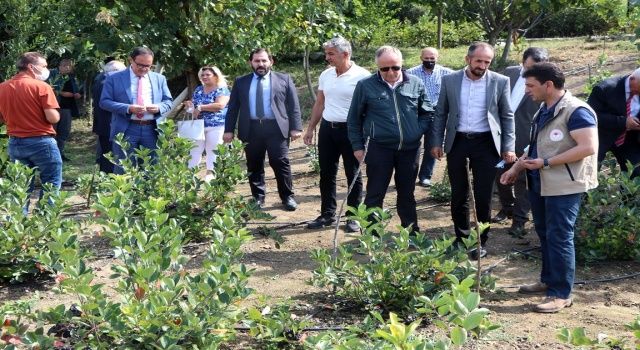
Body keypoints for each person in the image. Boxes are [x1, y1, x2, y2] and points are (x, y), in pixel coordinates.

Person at [500, 62, 598, 313]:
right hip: (541, 183)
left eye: (530, 85)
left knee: (560, 237)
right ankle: (548, 281)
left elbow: (587, 147)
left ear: (549, 85)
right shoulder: (543, 109)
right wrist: (516, 168)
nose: (526, 91)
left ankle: (561, 293)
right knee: (544, 233)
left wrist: (546, 162)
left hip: (564, 185)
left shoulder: (577, 111)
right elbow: (534, 146)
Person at [430, 42, 516, 260]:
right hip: (458, 141)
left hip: (486, 143)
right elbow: (441, 113)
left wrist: (508, 147)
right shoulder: (450, 80)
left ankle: (480, 242)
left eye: (487, 61)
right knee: (459, 193)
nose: (483, 65)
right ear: (468, 59)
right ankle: (461, 239)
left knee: (483, 194)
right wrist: (436, 141)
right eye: (479, 60)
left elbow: (507, 116)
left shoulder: (500, 81)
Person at [347, 45, 433, 234]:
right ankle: (372, 236)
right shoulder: (365, 86)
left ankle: (411, 233)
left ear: (402, 65)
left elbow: (427, 113)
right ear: (377, 67)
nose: (391, 72)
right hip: (379, 148)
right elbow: (353, 119)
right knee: (375, 193)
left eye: (395, 67)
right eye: (384, 68)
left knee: (407, 193)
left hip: (409, 149)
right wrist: (357, 147)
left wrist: (417, 131)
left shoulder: (416, 83)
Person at [303, 36, 370, 232]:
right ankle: (327, 214)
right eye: (326, 54)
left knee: (353, 173)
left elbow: (370, 108)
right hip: (327, 129)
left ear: (345, 54)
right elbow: (320, 103)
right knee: (326, 173)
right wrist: (310, 128)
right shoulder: (326, 75)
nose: (327, 58)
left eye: (331, 54)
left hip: (352, 132)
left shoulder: (363, 76)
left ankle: (354, 216)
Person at [223, 48, 303, 211]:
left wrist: (296, 127)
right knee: (254, 164)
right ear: (250, 62)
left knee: (280, 162)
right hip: (251, 129)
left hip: (276, 128)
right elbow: (233, 108)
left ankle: (287, 196)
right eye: (257, 61)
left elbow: (293, 105)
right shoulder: (241, 82)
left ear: (271, 62)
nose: (260, 64)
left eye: (264, 61)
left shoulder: (284, 79)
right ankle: (258, 198)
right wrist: (228, 130)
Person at [493, 47, 548, 237]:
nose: (532, 72)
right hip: (501, 134)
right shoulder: (508, 74)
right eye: (529, 67)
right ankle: (506, 207)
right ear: (522, 63)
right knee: (499, 172)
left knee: (524, 180)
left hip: (527, 136)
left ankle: (520, 220)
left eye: (537, 68)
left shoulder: (546, 82)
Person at [0, 52, 62, 212]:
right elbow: (53, 118)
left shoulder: (2, 87)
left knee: (21, 185)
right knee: (51, 181)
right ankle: (44, 221)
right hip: (41, 141)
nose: (46, 70)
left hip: (15, 142)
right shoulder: (41, 87)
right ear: (31, 67)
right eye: (44, 66)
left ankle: (18, 224)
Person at [99, 47, 173, 174]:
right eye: (140, 65)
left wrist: (158, 108)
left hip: (152, 129)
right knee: (123, 169)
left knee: (152, 170)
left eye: (148, 66)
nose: (144, 69)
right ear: (131, 60)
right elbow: (104, 102)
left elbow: (168, 101)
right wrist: (128, 108)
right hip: (126, 129)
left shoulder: (159, 79)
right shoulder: (114, 78)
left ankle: (148, 194)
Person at [406, 47, 453, 187]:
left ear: (437, 58)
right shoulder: (410, 73)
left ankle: (425, 176)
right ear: (421, 58)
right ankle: (408, 176)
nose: (429, 61)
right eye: (426, 59)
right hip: (416, 114)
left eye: (432, 59)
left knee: (432, 144)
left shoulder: (447, 73)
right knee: (411, 144)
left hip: (436, 114)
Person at [587, 68, 640, 178]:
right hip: (601, 136)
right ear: (632, 78)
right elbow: (590, 115)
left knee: (636, 170)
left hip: (627, 138)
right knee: (589, 172)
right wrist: (623, 122)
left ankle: (627, 194)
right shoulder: (605, 88)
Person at [183, 66, 231, 182]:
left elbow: (220, 105)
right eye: (202, 75)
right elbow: (194, 107)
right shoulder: (199, 89)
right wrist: (189, 106)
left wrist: (201, 107)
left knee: (213, 150)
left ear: (215, 76)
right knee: (194, 150)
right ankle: (191, 176)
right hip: (198, 125)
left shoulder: (222, 89)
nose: (204, 77)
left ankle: (211, 176)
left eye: (207, 75)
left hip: (216, 126)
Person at [92, 59, 127, 173]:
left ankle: (107, 179)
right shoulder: (109, 82)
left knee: (106, 154)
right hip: (111, 124)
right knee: (112, 155)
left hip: (103, 124)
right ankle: (110, 181)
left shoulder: (100, 79)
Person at [48, 58, 82, 161]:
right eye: (65, 66)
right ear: (60, 66)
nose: (68, 68)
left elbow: (75, 89)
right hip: (54, 108)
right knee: (52, 132)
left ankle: (60, 153)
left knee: (63, 132)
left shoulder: (71, 77)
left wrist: (77, 94)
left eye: (69, 66)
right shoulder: (52, 74)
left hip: (67, 108)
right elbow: (49, 88)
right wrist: (62, 93)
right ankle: (51, 155)